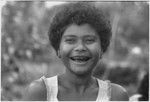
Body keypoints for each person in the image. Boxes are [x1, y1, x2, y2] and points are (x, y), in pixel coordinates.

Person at [23, 2, 129, 101]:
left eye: (89, 40)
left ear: (101, 49)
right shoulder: (40, 93)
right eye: (70, 40)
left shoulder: (115, 96)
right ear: (58, 49)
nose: (80, 47)